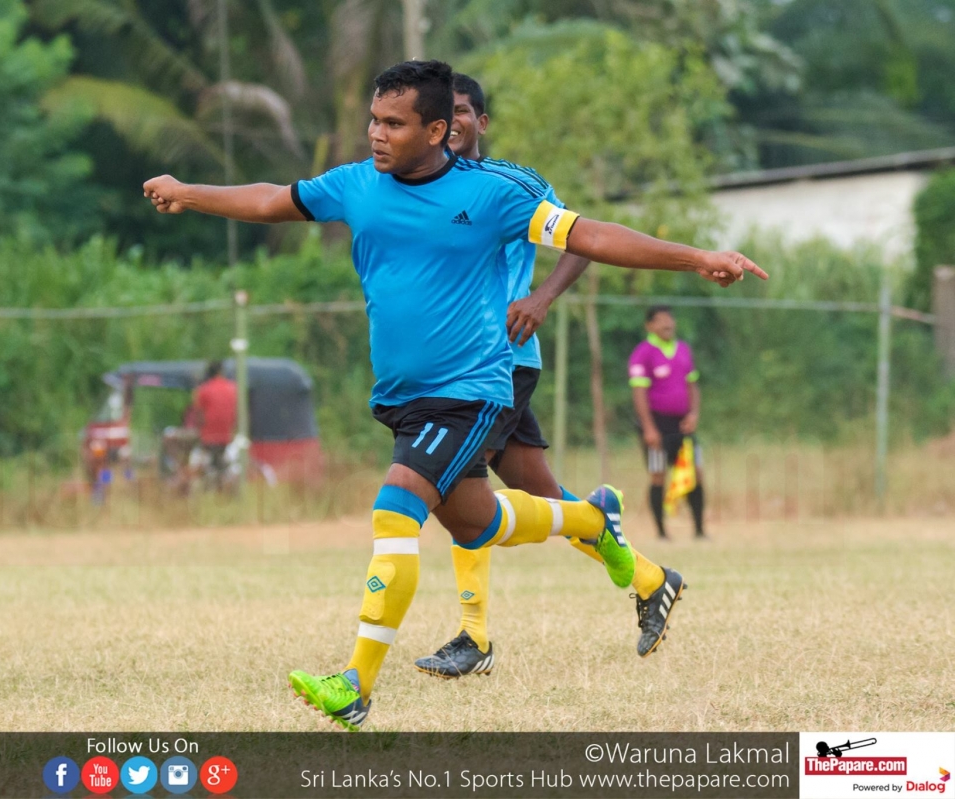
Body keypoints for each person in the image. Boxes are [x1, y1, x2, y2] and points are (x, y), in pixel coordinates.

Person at [143, 60, 766, 731]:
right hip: (403, 397)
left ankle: (354, 685)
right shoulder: (356, 184)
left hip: (468, 391)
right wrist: (188, 192)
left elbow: (594, 236)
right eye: (374, 120)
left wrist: (698, 257)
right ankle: (590, 520)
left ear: (438, 130)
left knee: (396, 509)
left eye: (394, 123)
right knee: (476, 523)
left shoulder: (494, 194)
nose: (376, 134)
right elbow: (272, 200)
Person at [414, 74, 689, 680]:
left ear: (481, 121)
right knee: (543, 499)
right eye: (441, 111)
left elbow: (584, 239)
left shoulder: (512, 182)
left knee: (456, 487)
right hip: (456, 364)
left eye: (461, 110)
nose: (451, 121)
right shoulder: (420, 185)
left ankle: (473, 637)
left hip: (500, 360)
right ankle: (650, 577)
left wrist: (541, 297)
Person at [630, 306, 706, 538]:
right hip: (657, 424)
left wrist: (693, 414)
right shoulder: (643, 353)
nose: (667, 324)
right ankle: (661, 533)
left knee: (695, 472)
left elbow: (692, 385)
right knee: (658, 474)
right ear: (649, 325)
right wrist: (649, 428)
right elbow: (639, 393)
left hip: (683, 423)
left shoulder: (683, 349)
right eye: (661, 320)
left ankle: (699, 531)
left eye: (670, 319)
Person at [185, 361, 238, 489]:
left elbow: (197, 415)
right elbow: (238, 414)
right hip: (228, 437)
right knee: (221, 462)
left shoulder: (203, 390)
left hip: (207, 438)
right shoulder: (234, 389)